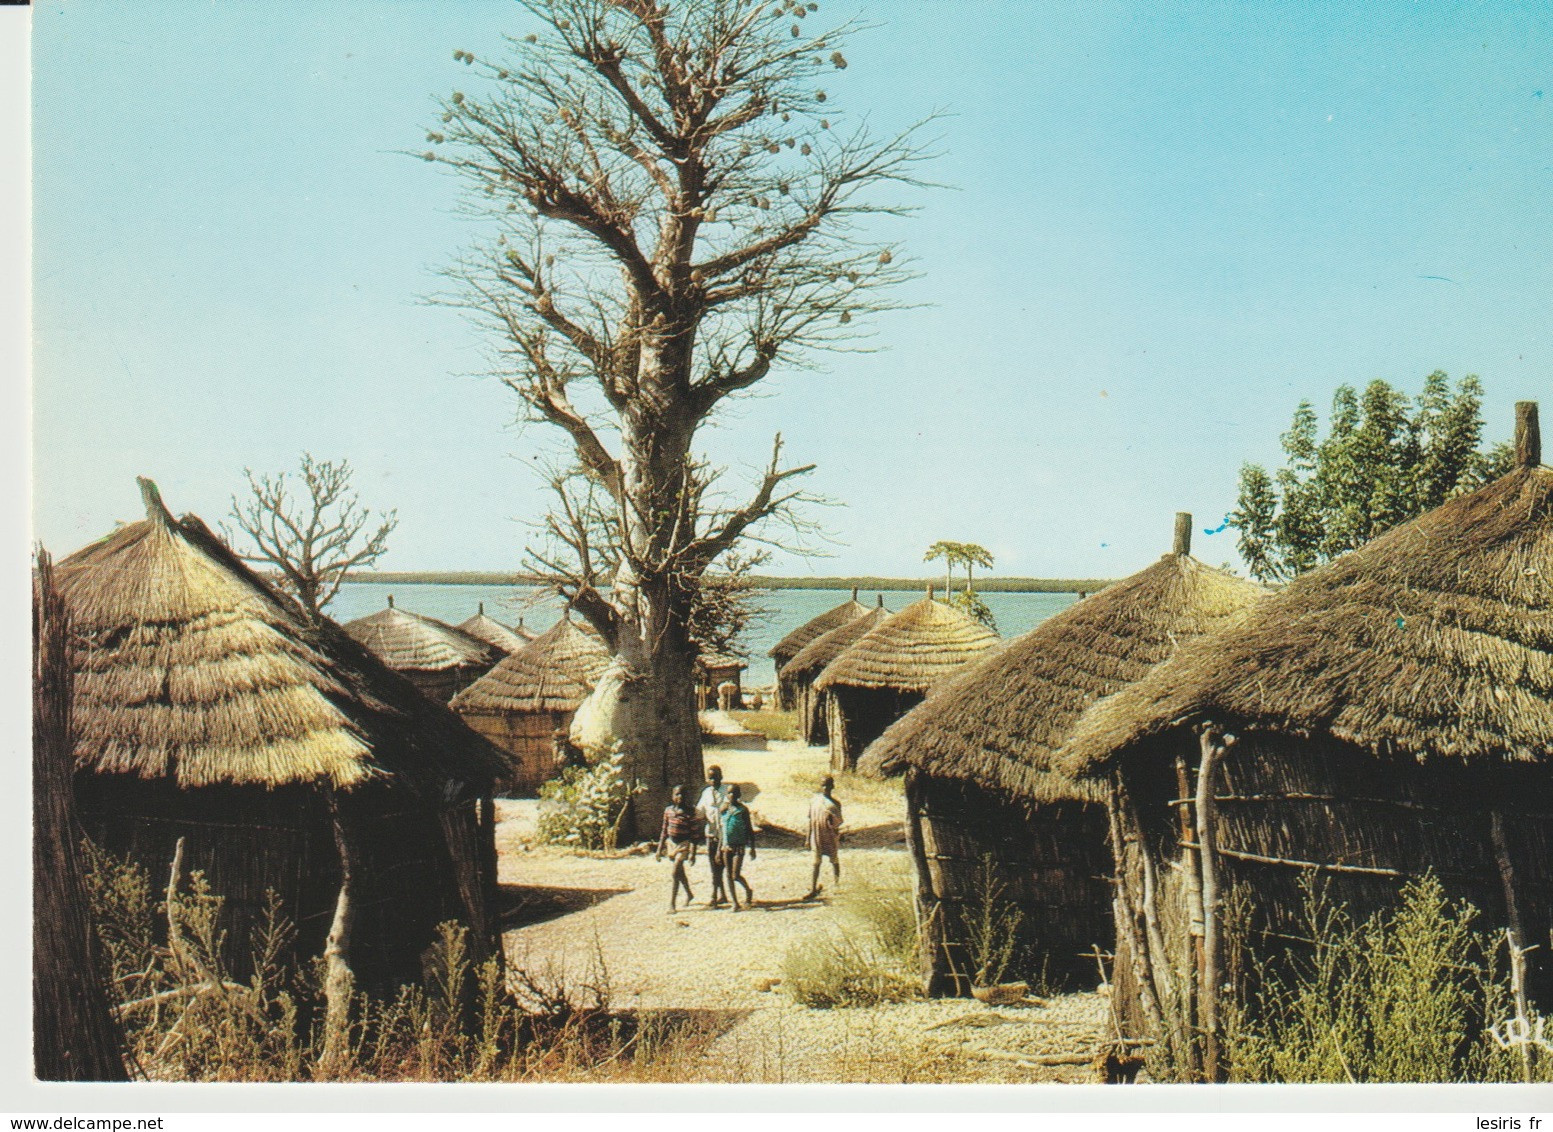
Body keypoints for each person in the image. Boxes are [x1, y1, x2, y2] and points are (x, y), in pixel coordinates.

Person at [656, 785, 699, 912]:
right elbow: (664, 830)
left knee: (675, 872)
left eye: (682, 794)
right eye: (677, 794)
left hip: (683, 845)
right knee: (680, 872)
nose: (679, 797)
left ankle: (672, 904)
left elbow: (694, 835)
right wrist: (659, 849)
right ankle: (690, 894)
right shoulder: (668, 811)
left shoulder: (690, 813)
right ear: (672, 796)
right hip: (671, 844)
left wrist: (692, 853)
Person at [696, 764, 730, 906]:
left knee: (724, 865)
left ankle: (722, 894)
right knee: (713, 867)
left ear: (721, 777)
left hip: (725, 835)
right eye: (710, 778)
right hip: (711, 834)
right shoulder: (706, 793)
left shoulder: (727, 791)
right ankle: (717, 894)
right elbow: (700, 812)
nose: (713, 780)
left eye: (715, 777)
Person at [805, 775, 843, 900]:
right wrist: (807, 838)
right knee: (815, 863)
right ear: (820, 786)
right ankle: (813, 888)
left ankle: (836, 885)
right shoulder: (814, 801)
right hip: (816, 836)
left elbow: (837, 823)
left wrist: (836, 834)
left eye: (828, 784)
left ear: (832, 786)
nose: (825, 787)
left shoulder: (835, 804)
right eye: (823, 785)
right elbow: (810, 820)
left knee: (834, 861)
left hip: (830, 836)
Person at [720, 783, 757, 911]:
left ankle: (748, 890)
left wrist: (752, 848)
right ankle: (735, 902)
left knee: (735, 875)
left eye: (734, 793)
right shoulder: (724, 810)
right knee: (728, 874)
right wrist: (720, 848)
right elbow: (722, 830)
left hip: (739, 845)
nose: (731, 795)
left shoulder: (742, 810)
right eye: (729, 793)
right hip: (726, 845)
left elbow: (749, 829)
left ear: (739, 795)